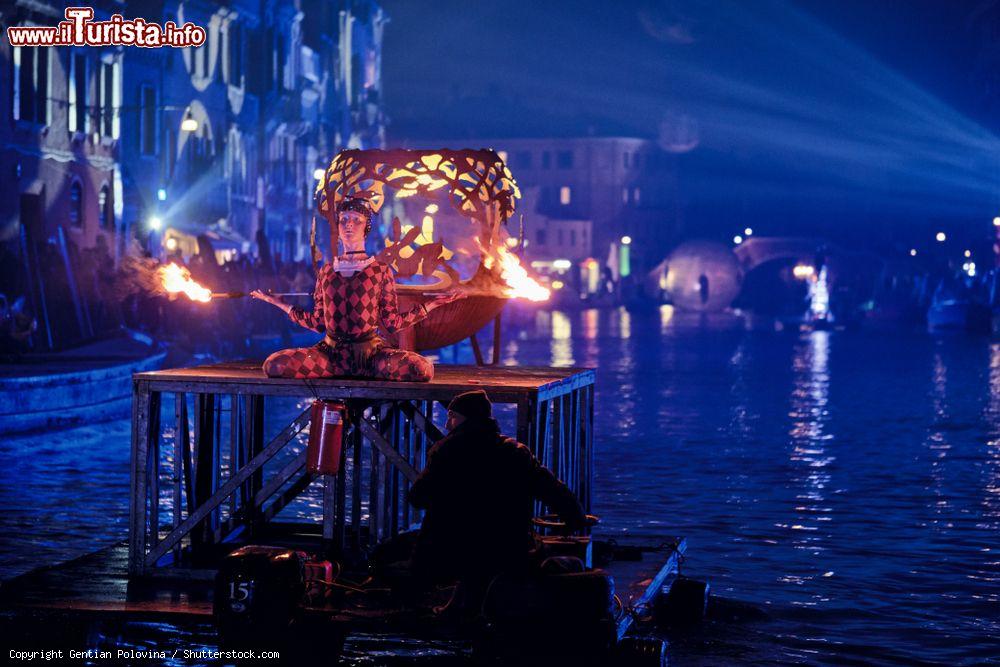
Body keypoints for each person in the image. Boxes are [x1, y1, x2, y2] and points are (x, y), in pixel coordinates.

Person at [406, 389, 587, 613]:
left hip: (454, 549)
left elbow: (417, 497)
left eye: (451, 416)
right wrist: (576, 517)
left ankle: (440, 600)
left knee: (436, 534)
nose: (446, 424)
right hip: (510, 546)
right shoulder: (515, 452)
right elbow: (553, 489)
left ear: (465, 418)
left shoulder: (446, 452)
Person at [251, 196, 458, 381]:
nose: (349, 224)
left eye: (356, 220)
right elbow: (318, 323)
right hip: (330, 356)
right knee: (274, 365)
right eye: (344, 220)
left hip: (371, 356)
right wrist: (277, 302)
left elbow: (392, 323)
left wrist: (429, 306)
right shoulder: (327, 272)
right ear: (338, 228)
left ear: (366, 227)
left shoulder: (380, 270)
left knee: (420, 369)